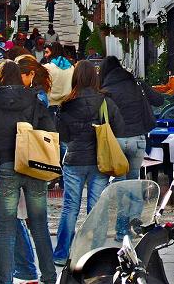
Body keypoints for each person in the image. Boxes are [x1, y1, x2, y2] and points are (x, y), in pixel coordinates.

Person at [0, 60, 57, 284]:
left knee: (6, 230)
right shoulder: (34, 100)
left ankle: (5, 280)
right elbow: (51, 131)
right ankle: (50, 277)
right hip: (33, 168)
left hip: (6, 168)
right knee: (39, 226)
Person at [52, 60, 125, 266]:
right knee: (96, 208)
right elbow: (119, 128)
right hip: (99, 161)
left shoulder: (66, 104)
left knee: (70, 207)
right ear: (95, 78)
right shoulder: (105, 102)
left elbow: (62, 135)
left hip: (74, 160)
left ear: (75, 78)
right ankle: (94, 254)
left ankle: (61, 254)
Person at [99, 56, 165, 239]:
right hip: (138, 140)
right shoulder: (137, 85)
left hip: (117, 142)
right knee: (134, 181)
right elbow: (159, 100)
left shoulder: (105, 91)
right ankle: (133, 223)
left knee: (121, 186)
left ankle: (121, 230)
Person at [12, 54, 55, 283]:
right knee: (34, 222)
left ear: (29, 74)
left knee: (32, 221)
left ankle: (32, 271)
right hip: (31, 163)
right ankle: (41, 273)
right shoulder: (35, 95)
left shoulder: (35, 97)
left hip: (29, 162)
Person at [43, 42, 74, 108]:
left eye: (47, 52)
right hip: (68, 105)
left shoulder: (46, 67)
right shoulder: (71, 67)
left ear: (54, 52)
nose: (45, 55)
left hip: (51, 105)